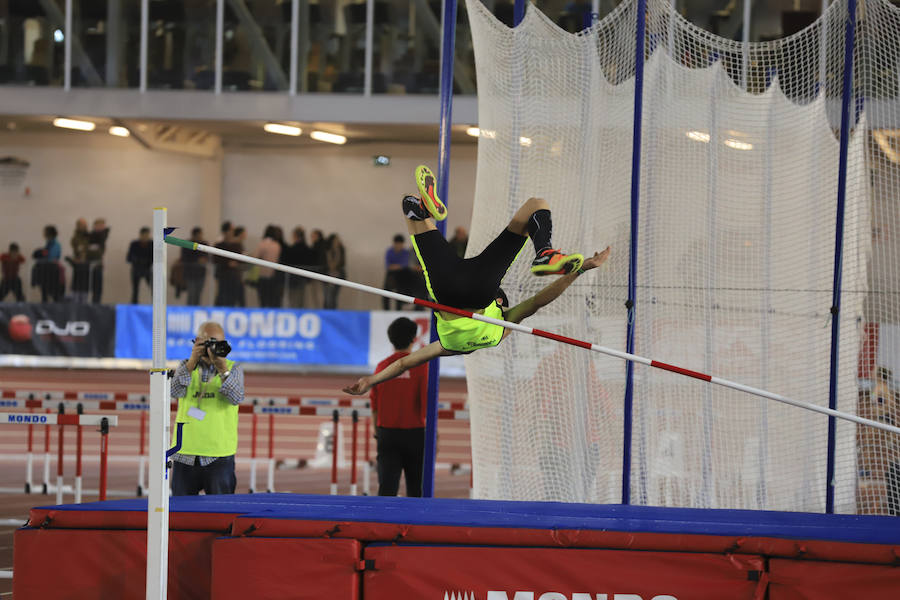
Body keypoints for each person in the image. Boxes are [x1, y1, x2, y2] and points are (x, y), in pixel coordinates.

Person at [344, 165, 610, 395]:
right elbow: (404, 364)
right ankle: (420, 208)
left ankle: (544, 252)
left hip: (483, 282)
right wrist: (370, 381)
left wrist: (583, 269)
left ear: (499, 299)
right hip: (447, 288)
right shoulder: (448, 346)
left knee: (536, 205)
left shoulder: (499, 331)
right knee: (408, 206)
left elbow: (539, 302)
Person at [169, 321, 244, 495]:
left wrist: (222, 369)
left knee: (221, 515)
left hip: (219, 455)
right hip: (185, 453)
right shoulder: (185, 366)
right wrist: (192, 362)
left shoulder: (234, 368)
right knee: (181, 515)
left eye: (216, 343)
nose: (211, 348)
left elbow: (236, 398)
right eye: (207, 343)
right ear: (196, 342)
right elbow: (174, 392)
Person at [370, 317, 428, 497]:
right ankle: (416, 524)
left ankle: (383, 525)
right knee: (417, 491)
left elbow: (374, 405)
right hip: (416, 435)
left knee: (387, 490)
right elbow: (426, 404)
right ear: (414, 339)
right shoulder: (422, 366)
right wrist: (435, 436)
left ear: (391, 339)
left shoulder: (382, 367)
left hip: (387, 434)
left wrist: (377, 432)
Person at [32, 225, 63, 302]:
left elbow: (52, 257)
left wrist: (42, 257)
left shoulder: (55, 244)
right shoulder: (48, 244)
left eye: (45, 232)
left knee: (53, 292)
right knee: (44, 292)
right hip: (46, 271)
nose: (43, 234)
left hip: (51, 271)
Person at [283, 226, 312, 307]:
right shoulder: (306, 248)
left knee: (294, 300)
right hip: (301, 278)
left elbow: (288, 260)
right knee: (299, 300)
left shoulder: (293, 249)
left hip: (294, 278)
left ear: (295, 236)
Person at [254, 225, 282, 307]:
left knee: (263, 299)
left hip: (262, 274)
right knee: (272, 299)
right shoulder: (277, 245)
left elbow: (255, 256)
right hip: (273, 275)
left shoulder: (263, 244)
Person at [383, 234, 413, 310]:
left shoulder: (405, 252)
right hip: (391, 274)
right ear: (394, 243)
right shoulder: (389, 251)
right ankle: (386, 310)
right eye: (397, 244)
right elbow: (388, 266)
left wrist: (395, 266)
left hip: (402, 275)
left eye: (400, 244)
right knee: (386, 291)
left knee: (400, 292)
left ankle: (398, 310)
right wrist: (398, 266)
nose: (399, 246)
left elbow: (405, 265)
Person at [182, 227, 208, 305]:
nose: (201, 236)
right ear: (195, 235)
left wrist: (204, 260)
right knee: (191, 295)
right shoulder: (187, 244)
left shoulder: (204, 244)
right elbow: (184, 258)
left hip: (201, 273)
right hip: (190, 273)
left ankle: (196, 312)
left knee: (198, 295)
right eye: (200, 234)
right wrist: (197, 260)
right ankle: (190, 312)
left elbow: (207, 256)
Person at [126, 227, 153, 303]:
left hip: (148, 269)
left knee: (153, 289)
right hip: (136, 268)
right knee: (135, 289)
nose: (145, 236)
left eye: (147, 235)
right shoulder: (134, 244)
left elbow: (154, 257)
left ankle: (156, 305)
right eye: (143, 234)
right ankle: (134, 305)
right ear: (140, 235)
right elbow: (129, 257)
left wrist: (147, 262)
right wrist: (137, 260)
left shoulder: (152, 244)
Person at [86, 218, 109, 303]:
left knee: (98, 286)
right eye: (98, 225)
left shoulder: (103, 235)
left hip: (98, 262)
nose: (100, 227)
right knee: (89, 285)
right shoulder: (91, 235)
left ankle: (96, 303)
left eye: (102, 226)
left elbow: (99, 249)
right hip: (89, 262)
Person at [323, 233, 346, 309]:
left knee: (333, 296)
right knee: (327, 296)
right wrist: (331, 270)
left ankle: (333, 312)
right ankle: (326, 312)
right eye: (336, 240)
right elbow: (328, 263)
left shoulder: (340, 250)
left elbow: (341, 262)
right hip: (327, 275)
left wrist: (338, 251)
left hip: (338, 275)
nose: (337, 241)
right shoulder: (327, 250)